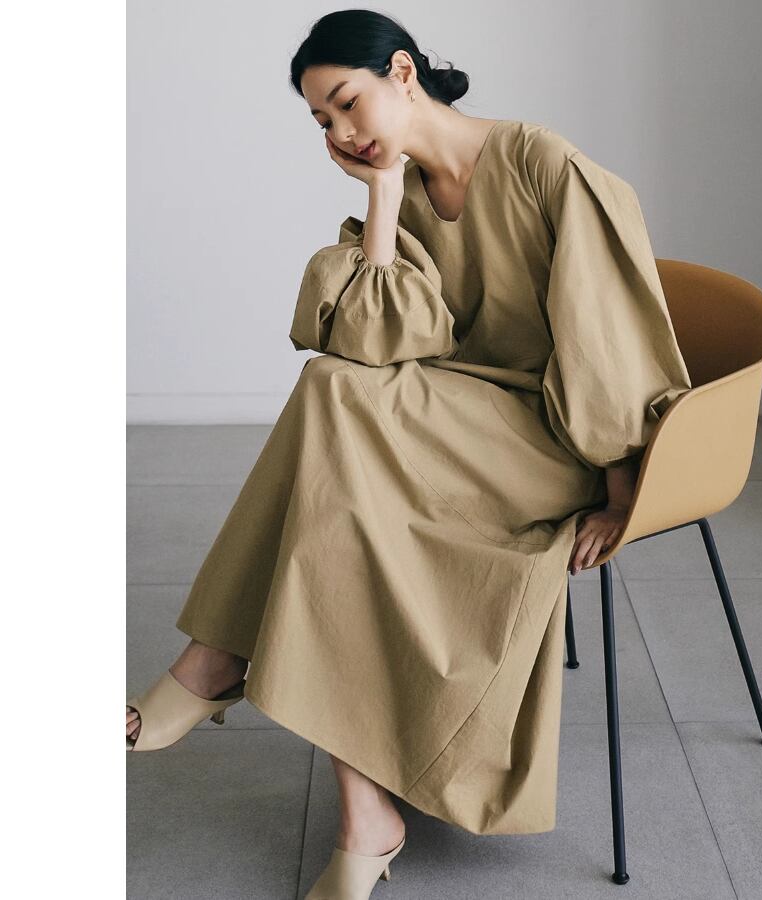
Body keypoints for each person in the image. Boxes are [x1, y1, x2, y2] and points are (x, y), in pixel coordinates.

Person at [126, 8, 692, 897]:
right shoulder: (409, 189)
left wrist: (623, 491)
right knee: (339, 432)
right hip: (450, 424)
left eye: (347, 102)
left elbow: (606, 339)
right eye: (322, 121)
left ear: (401, 71)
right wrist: (385, 195)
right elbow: (375, 343)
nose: (342, 132)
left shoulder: (542, 164)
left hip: (554, 437)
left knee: (336, 420)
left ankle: (215, 661)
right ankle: (364, 815)